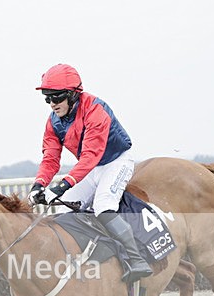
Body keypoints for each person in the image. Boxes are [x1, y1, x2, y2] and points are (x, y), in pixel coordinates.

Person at [27, 63, 152, 283]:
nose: (52, 104)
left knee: (103, 206)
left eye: (56, 98)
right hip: (93, 167)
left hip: (116, 161)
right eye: (47, 98)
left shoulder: (95, 110)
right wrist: (39, 184)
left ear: (73, 95)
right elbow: (50, 158)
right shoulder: (53, 121)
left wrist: (61, 185)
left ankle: (137, 259)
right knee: (65, 206)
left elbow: (90, 155)